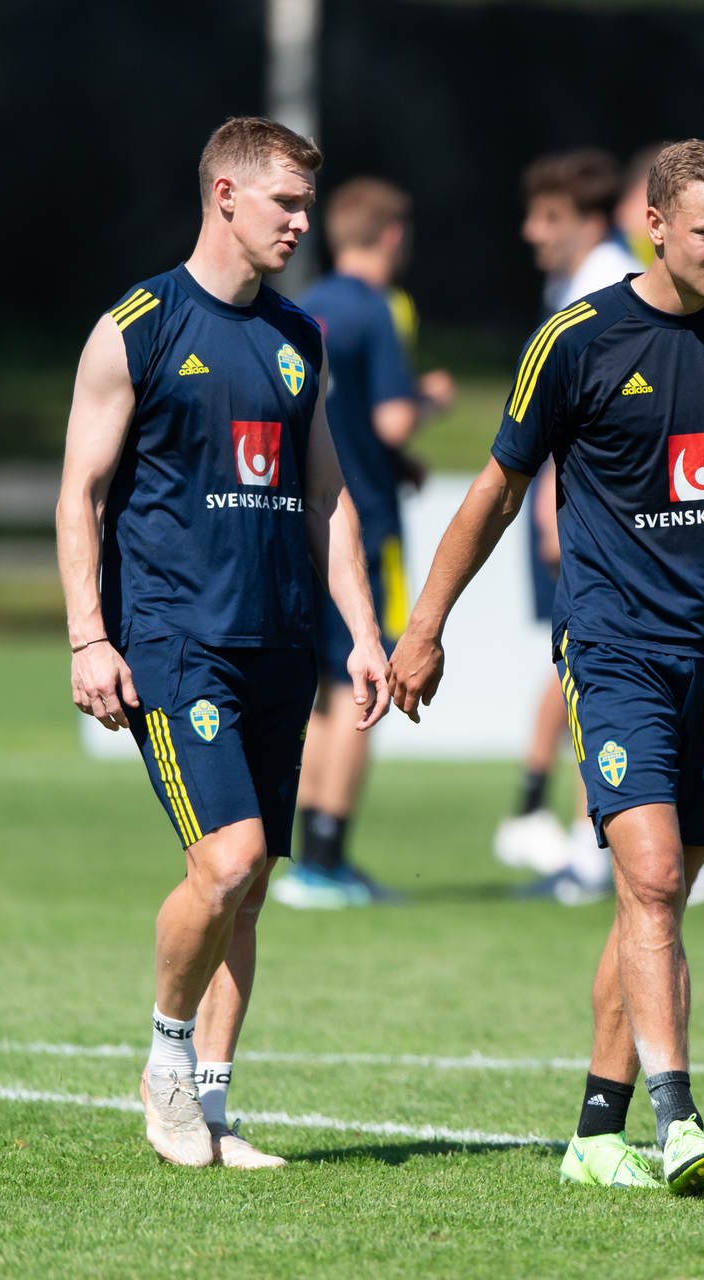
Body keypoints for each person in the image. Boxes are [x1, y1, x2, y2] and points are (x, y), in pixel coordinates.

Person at [389, 140, 704, 1193]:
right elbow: (497, 491)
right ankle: (679, 1117)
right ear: (655, 226)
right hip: (613, 643)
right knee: (648, 874)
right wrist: (426, 626)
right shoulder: (580, 339)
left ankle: (597, 1132)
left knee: (660, 895)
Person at [55, 116, 387, 1169]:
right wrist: (87, 638)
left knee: (249, 887)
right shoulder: (136, 328)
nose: (303, 222)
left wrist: (364, 630)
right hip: (173, 636)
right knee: (227, 858)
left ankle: (210, 1101)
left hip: (280, 639)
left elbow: (328, 495)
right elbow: (81, 496)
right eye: (286, 202)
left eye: (307, 203)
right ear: (226, 196)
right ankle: (164, 1061)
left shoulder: (299, 339)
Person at [274, 176, 452, 909]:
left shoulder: (302, 306)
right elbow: (387, 423)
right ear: (391, 236)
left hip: (300, 522)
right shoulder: (376, 312)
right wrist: (429, 401)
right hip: (365, 527)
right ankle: (327, 860)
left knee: (321, 693)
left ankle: (304, 857)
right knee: (363, 682)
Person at [495, 149, 641, 900]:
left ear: (589, 222)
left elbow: (591, 414)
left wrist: (555, 502)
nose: (529, 231)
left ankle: (591, 849)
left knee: (596, 669)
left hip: (592, 517)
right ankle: (575, 836)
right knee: (579, 666)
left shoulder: (602, 288)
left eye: (546, 217)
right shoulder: (572, 282)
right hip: (575, 512)